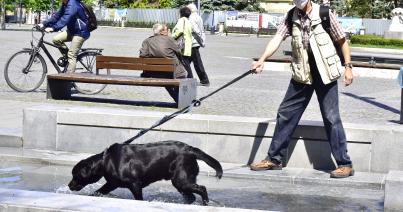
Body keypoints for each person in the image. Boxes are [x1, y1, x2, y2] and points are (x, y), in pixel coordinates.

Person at [250, 0, 354, 178]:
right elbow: (278, 38)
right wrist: (262, 59)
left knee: (331, 117)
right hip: (302, 72)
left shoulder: (324, 13)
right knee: (285, 112)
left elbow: (342, 40)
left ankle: (345, 164)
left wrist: (348, 66)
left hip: (325, 72)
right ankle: (274, 159)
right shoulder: (291, 16)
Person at [139, 23, 188, 102]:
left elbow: (142, 55)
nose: (168, 31)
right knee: (181, 74)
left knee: (167, 80)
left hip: (153, 73)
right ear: (161, 32)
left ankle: (178, 99)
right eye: (166, 30)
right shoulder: (169, 39)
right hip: (170, 73)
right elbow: (179, 52)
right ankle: (180, 100)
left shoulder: (146, 41)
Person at [39, 0, 90, 73]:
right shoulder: (65, 4)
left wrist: (53, 28)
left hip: (81, 32)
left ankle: (69, 79)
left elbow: (66, 18)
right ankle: (67, 59)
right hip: (72, 31)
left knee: (72, 55)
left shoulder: (73, 3)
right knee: (56, 39)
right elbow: (57, 16)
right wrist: (44, 24)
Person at [187, 3, 210, 86]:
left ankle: (204, 80)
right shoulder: (198, 16)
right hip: (196, 42)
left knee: (197, 63)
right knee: (186, 62)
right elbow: (201, 30)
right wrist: (202, 41)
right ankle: (185, 77)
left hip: (193, 42)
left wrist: (201, 41)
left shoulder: (191, 17)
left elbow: (195, 30)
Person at [172, 7, 193, 80]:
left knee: (185, 64)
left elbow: (179, 30)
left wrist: (172, 37)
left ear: (181, 13)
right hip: (187, 45)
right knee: (185, 63)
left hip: (182, 46)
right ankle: (188, 78)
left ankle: (190, 79)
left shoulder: (181, 20)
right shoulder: (188, 21)